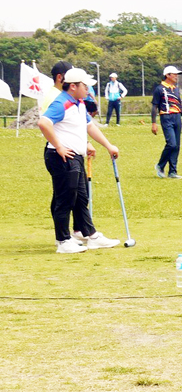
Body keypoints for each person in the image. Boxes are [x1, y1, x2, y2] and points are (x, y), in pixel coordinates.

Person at [37, 68, 120, 253]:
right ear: (73, 86)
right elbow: (43, 123)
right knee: (65, 198)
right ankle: (63, 240)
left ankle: (91, 235)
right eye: (85, 86)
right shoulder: (62, 103)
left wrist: (108, 145)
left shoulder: (79, 103)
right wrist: (59, 146)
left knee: (81, 198)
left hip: (76, 157)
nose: (88, 90)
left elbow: (89, 126)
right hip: (62, 157)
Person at [151, 66, 182, 179]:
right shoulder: (159, 89)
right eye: (174, 74)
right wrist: (154, 123)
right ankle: (160, 165)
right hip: (166, 117)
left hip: (177, 117)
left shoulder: (176, 88)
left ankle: (173, 171)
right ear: (167, 75)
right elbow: (154, 106)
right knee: (171, 144)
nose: (176, 76)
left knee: (177, 145)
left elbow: (180, 105)